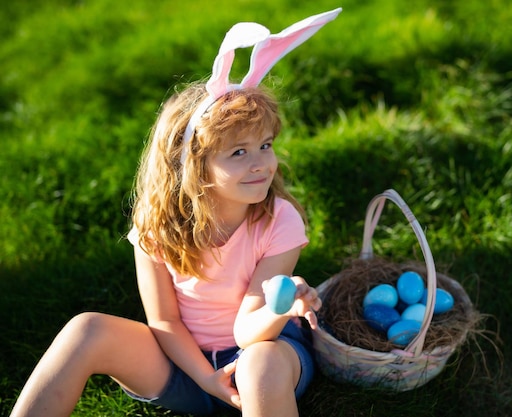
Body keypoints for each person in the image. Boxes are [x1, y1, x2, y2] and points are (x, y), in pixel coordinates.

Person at [10, 8, 341, 417]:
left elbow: (247, 330)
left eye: (265, 145)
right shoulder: (155, 227)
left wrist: (281, 307)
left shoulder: (278, 219)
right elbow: (164, 321)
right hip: (182, 367)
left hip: (263, 354)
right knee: (86, 330)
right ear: (194, 164)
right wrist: (205, 378)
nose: (261, 164)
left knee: (259, 366)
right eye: (239, 152)